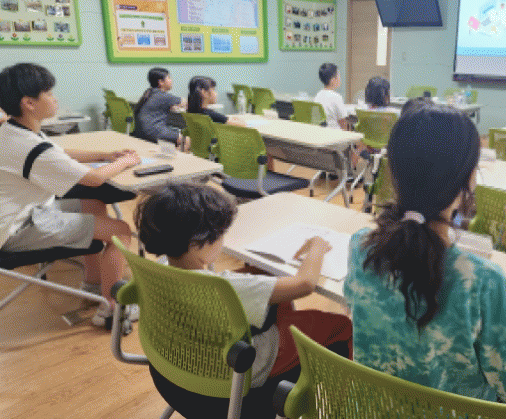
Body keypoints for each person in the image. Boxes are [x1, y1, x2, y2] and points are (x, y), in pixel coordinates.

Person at [343, 102, 506, 417]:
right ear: (471, 179)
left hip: (375, 411)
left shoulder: (361, 249)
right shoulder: (482, 282)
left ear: (392, 172)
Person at [136, 183, 352, 419]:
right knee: (343, 326)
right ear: (196, 244)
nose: (223, 239)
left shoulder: (158, 269)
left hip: (175, 370)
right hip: (239, 376)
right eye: (219, 234)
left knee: (270, 286)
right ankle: (343, 406)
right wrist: (317, 246)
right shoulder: (225, 288)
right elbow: (305, 283)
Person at [0, 63, 142, 327]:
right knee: (121, 230)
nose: (55, 99)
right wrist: (127, 161)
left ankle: (92, 284)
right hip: (18, 228)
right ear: (29, 103)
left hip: (18, 215)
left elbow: (57, 153)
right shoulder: (30, 146)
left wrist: (105, 155)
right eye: (48, 93)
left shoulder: (12, 130)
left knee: (92, 201)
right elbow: (94, 178)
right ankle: (112, 309)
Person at [133, 67, 190, 149]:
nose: (171, 81)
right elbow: (186, 102)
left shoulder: (149, 92)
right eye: (169, 78)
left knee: (175, 133)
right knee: (186, 140)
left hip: (140, 131)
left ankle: (171, 153)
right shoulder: (163, 96)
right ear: (161, 82)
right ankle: (176, 156)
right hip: (152, 131)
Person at [314, 63, 349, 130]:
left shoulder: (318, 95)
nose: (340, 79)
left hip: (321, 132)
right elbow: (343, 123)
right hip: (334, 133)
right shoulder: (336, 97)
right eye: (338, 76)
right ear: (332, 80)